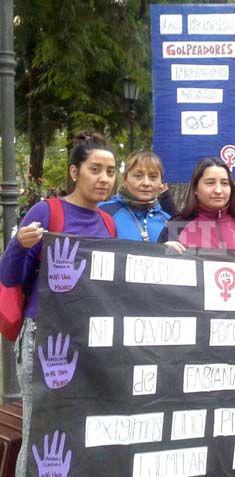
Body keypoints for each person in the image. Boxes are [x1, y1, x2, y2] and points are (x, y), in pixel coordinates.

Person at [0, 132, 118, 477]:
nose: (104, 179)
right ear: (74, 172)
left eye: (111, 172)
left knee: (75, 430)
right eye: (95, 169)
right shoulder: (46, 211)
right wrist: (19, 245)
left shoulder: (108, 222)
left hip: (88, 338)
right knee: (40, 429)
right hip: (45, 337)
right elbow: (10, 274)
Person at [159, 158, 235, 252]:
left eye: (224, 183)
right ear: (195, 189)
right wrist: (162, 252)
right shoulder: (176, 228)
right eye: (210, 183)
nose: (218, 190)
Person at [100, 151, 171, 242]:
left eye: (153, 177)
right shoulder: (104, 212)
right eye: (138, 176)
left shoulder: (167, 220)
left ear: (161, 182)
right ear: (125, 179)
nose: (146, 183)